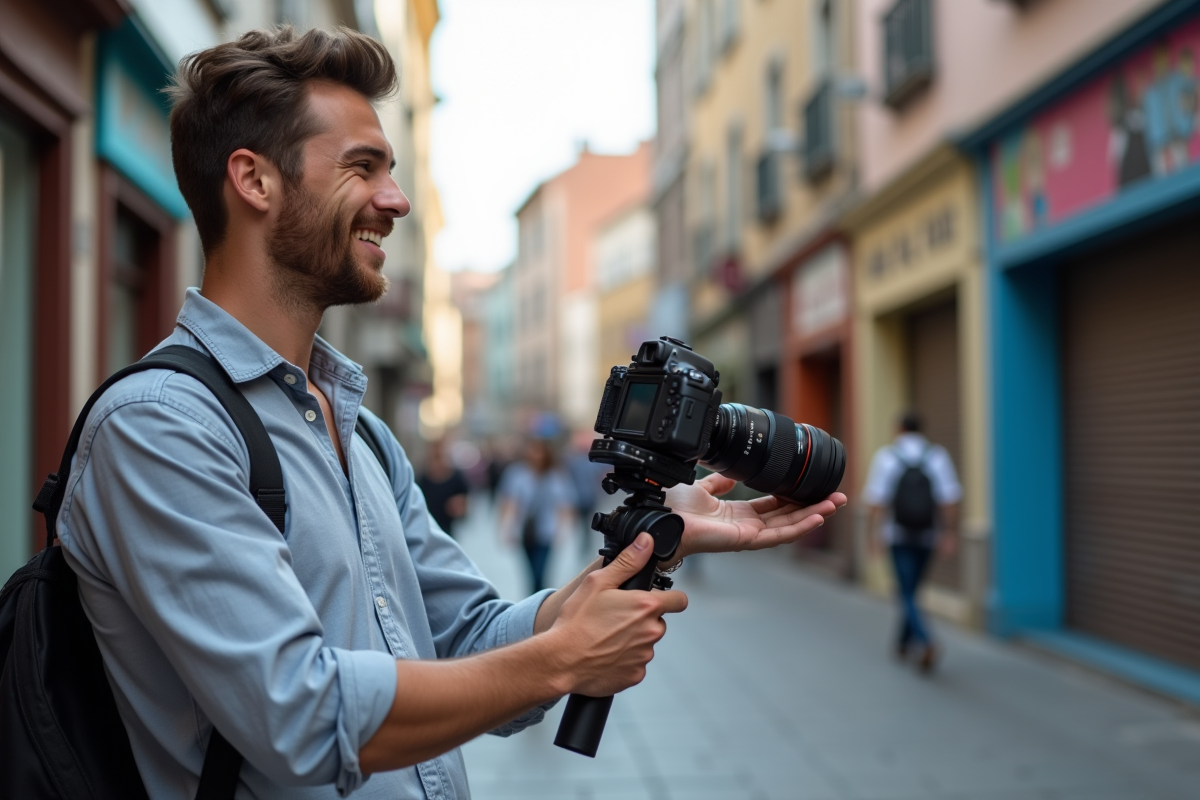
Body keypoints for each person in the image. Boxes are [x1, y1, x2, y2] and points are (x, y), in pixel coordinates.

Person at [54, 26, 845, 799]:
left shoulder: (356, 428)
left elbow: (465, 638)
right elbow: (300, 717)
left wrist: (644, 550)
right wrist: (564, 661)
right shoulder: (160, 428)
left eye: (392, 170)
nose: (394, 201)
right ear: (254, 180)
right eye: (362, 168)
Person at [863, 411, 961, 674]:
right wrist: (949, 532)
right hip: (929, 535)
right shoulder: (938, 456)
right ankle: (902, 645)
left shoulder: (887, 457)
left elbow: (876, 501)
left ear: (898, 429)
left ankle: (926, 641)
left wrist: (872, 536)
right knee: (911, 591)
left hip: (897, 535)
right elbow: (949, 499)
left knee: (906, 592)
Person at [496, 438, 576, 593]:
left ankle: (538, 602)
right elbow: (509, 503)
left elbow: (565, 505)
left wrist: (563, 530)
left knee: (540, 573)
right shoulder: (517, 474)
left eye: (539, 450)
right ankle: (535, 604)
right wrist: (506, 528)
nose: (535, 455)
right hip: (525, 531)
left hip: (547, 531)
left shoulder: (556, 476)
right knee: (530, 573)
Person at [416, 437, 470, 538]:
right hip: (426, 529)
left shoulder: (456, 478)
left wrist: (457, 506)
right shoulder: (422, 479)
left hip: (447, 529)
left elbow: (465, 504)